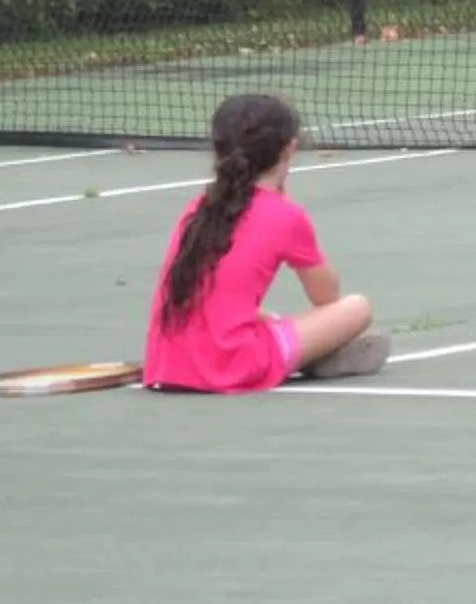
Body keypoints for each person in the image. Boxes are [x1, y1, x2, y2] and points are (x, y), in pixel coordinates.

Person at [141, 92, 383, 391]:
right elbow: (326, 297)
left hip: (165, 366)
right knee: (357, 307)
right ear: (290, 148)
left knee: (265, 318)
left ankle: (308, 355)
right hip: (232, 365)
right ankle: (311, 356)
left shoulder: (197, 208)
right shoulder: (286, 215)